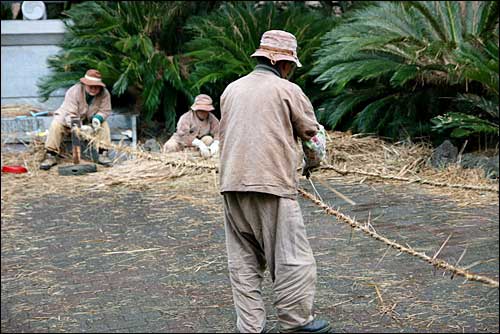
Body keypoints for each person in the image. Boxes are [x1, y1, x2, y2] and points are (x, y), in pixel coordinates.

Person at [219, 30, 331, 333]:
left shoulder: (231, 89)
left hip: (231, 184)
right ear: (284, 64)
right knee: (291, 257)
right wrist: (313, 164)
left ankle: (251, 327)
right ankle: (296, 323)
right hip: (273, 185)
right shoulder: (287, 89)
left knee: (242, 261)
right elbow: (312, 136)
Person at [40, 69, 113, 170]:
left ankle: (103, 153)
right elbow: (70, 114)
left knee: (104, 124)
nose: (94, 88)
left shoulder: (104, 93)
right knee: (56, 125)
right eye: (91, 86)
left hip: (89, 120)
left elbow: (105, 110)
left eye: (97, 86)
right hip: (67, 120)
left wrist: (97, 119)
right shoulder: (74, 91)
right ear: (84, 84)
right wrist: (79, 127)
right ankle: (50, 155)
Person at [162, 94, 220, 158]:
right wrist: (199, 144)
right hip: (181, 141)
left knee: (209, 140)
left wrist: (216, 144)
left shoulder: (211, 118)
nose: (204, 113)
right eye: (201, 110)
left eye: (206, 111)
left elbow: (218, 132)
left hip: (199, 143)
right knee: (170, 146)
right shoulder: (186, 117)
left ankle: (199, 154)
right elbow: (183, 135)